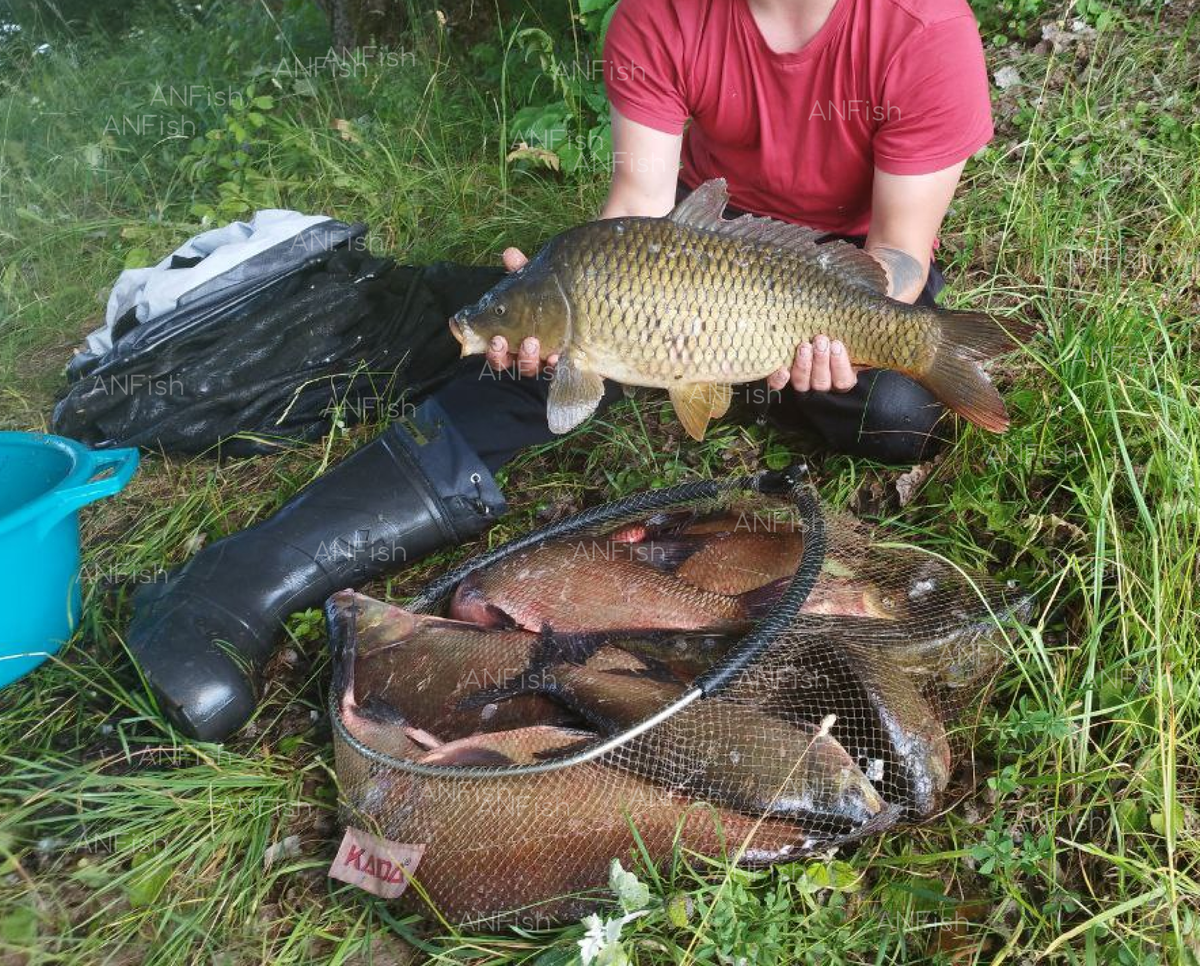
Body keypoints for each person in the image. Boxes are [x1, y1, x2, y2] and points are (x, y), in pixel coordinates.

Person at [127, 0, 994, 741]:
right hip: (681, 259)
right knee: (530, 363)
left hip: (830, 277)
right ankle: (242, 580)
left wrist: (833, 319)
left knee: (897, 416)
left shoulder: (922, 26)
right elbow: (636, 206)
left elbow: (901, 252)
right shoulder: (660, 14)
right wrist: (573, 292)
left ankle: (743, 379)